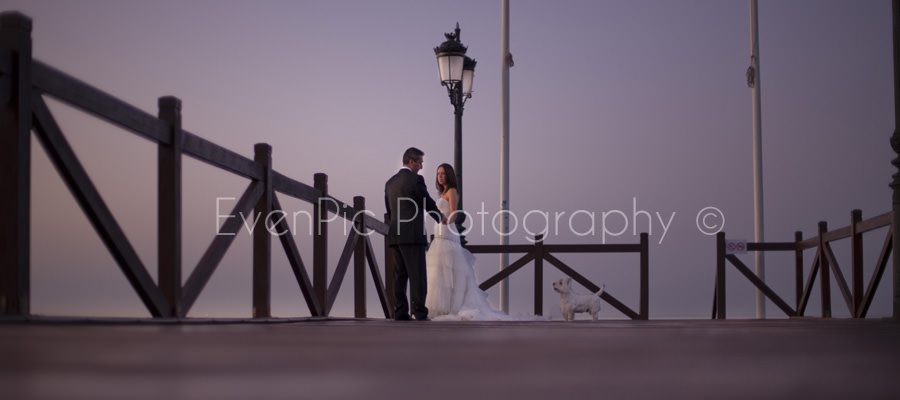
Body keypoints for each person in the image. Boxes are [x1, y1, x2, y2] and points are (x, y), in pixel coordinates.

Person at [425, 163, 517, 321]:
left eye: (443, 173)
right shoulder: (442, 193)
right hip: (439, 232)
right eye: (438, 173)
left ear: (449, 175)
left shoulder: (452, 191)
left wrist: (446, 221)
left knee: (451, 269)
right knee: (439, 270)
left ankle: (452, 306)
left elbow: (454, 211)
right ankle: (440, 308)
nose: (440, 176)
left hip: (447, 231)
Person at [384, 147, 444, 321]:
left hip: (395, 234)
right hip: (412, 234)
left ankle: (400, 311)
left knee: (399, 275)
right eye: (420, 162)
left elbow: (389, 210)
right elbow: (425, 200)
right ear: (411, 161)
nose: (421, 166)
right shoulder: (416, 180)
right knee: (417, 275)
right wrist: (439, 216)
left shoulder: (390, 182)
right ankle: (419, 312)